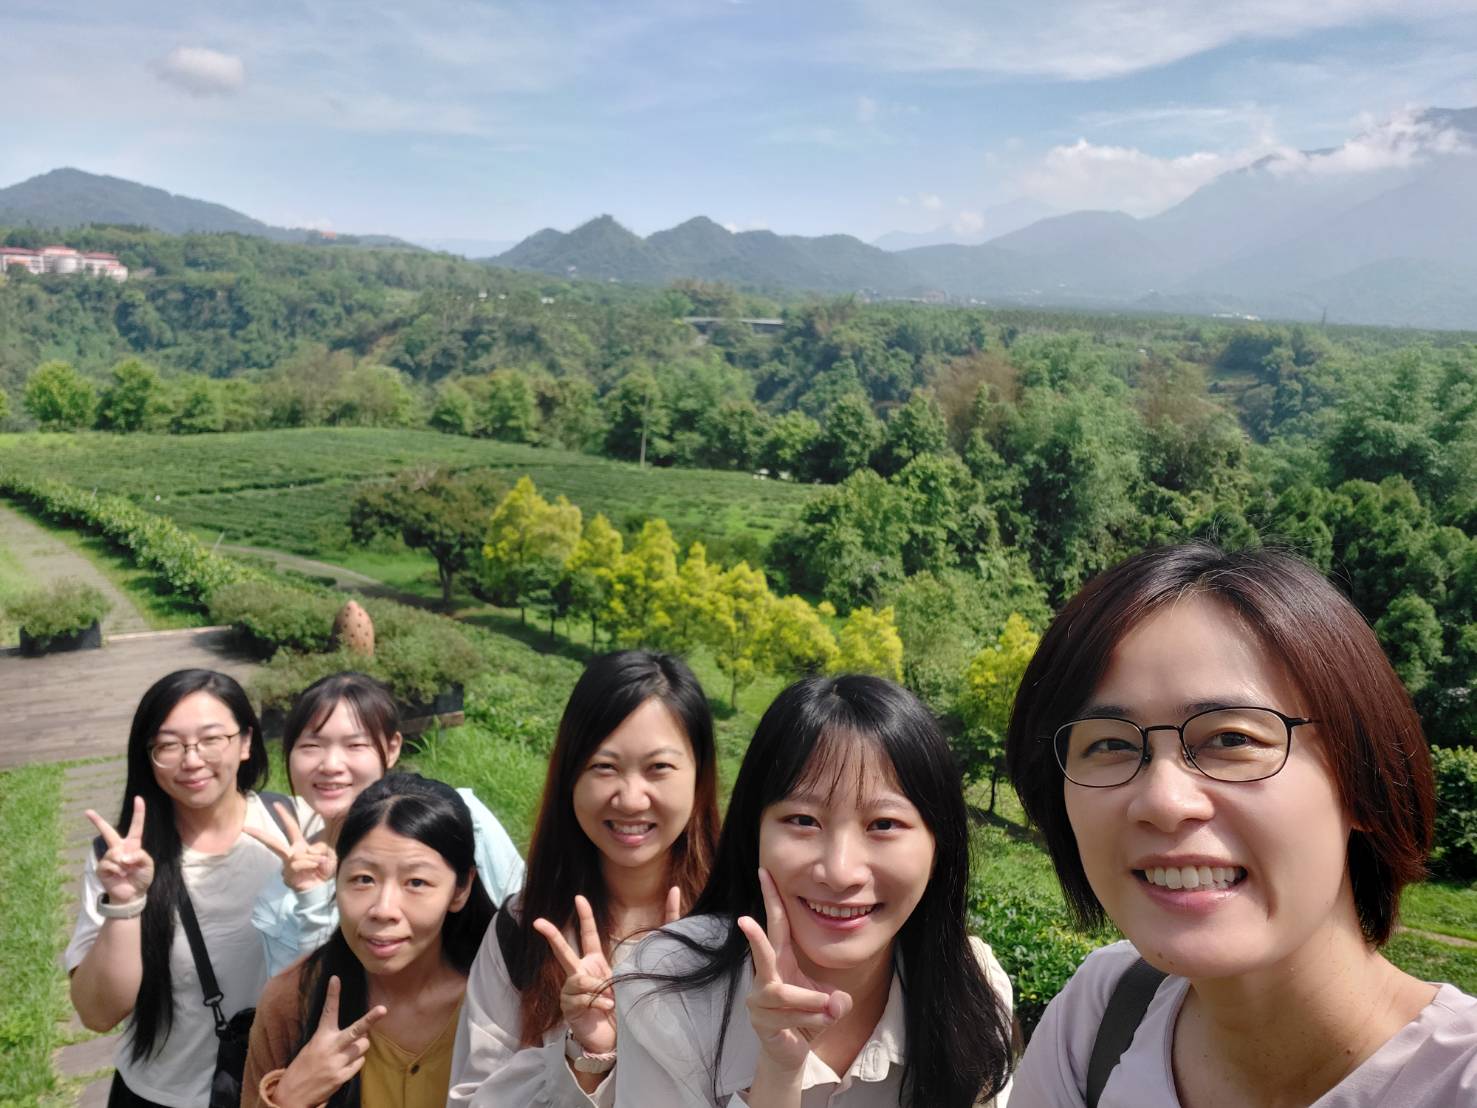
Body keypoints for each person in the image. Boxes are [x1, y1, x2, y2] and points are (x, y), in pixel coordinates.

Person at [1006, 542, 1477, 1106]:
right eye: (1109, 744)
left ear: (1360, 778)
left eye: (1232, 738)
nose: (1164, 801)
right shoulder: (1099, 1015)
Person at [615, 674, 1016, 1108]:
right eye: (803, 820)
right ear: (754, 832)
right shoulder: (666, 988)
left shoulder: (974, 989)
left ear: (939, 848)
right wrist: (778, 1070)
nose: (840, 873)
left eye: (884, 824)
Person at [449, 650, 720, 1107]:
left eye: (658, 768)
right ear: (570, 777)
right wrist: (586, 1059)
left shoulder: (742, 929)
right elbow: (471, 1099)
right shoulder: (525, 931)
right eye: (603, 767)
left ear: (699, 778)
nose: (631, 799)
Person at [65, 668, 289, 1107]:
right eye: (169, 745)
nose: (192, 760)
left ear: (245, 742)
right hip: (160, 1095)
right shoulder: (121, 859)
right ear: (148, 755)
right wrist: (125, 903)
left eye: (211, 739)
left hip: (284, 1090)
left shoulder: (297, 828)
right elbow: (97, 1013)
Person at [241, 773, 495, 1107]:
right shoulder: (291, 1000)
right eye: (363, 879)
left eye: (416, 882)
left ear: (460, 889)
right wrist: (288, 1098)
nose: (383, 909)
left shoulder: (507, 999)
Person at [250, 671, 524, 976]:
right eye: (311, 746)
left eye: (355, 745)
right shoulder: (282, 892)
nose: (331, 765)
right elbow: (304, 998)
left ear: (392, 748)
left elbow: (525, 918)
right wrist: (312, 898)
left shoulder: (459, 821)